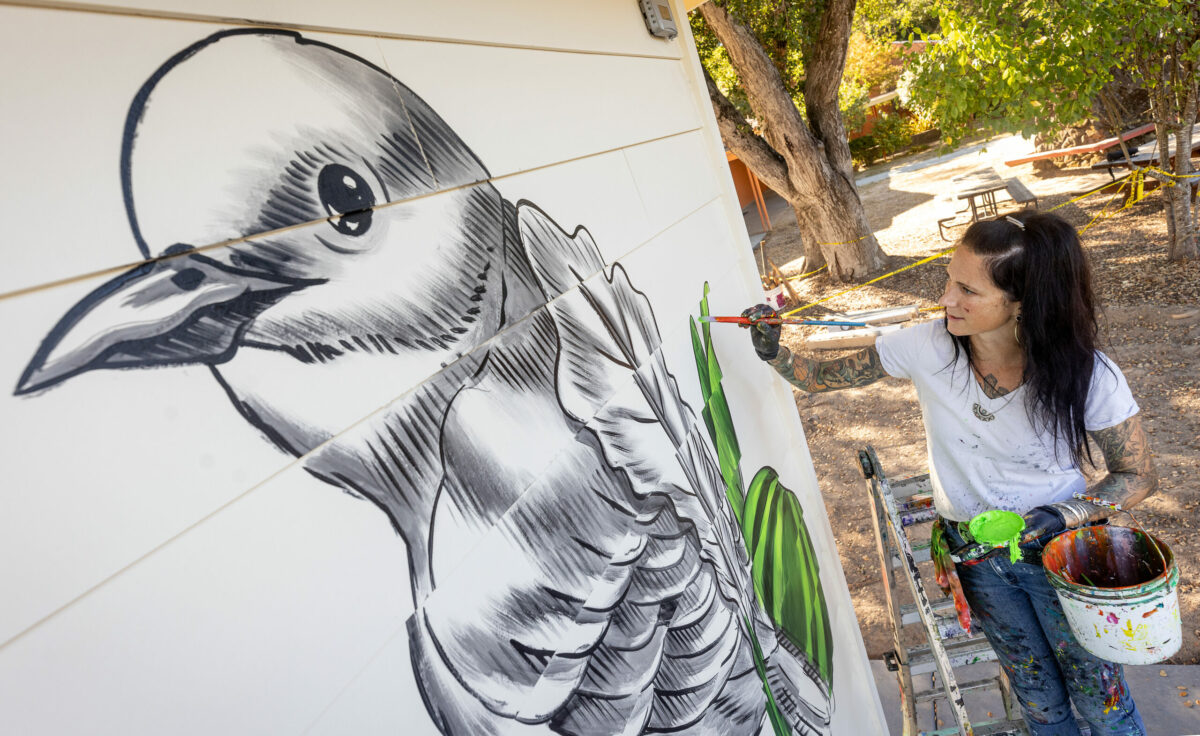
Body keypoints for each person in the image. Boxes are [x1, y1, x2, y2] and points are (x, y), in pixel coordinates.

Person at [742, 211, 1156, 735]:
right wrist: (773, 349)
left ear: (1021, 303)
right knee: (1039, 701)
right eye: (948, 280)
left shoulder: (1087, 373)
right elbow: (822, 378)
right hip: (977, 559)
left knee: (1102, 702)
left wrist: (1063, 514)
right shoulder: (928, 346)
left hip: (1060, 555)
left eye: (968, 290)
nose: (945, 300)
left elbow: (1137, 475)